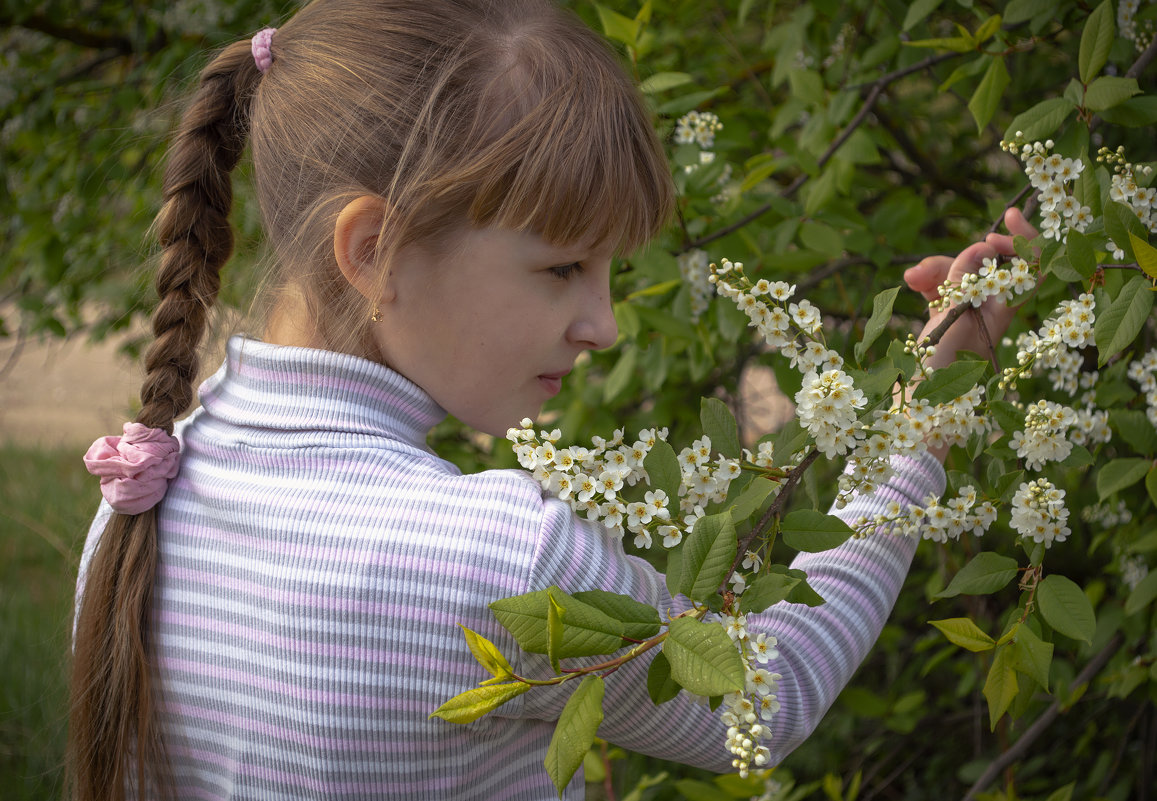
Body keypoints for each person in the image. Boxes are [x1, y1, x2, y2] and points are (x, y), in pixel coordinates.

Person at [69, 1, 1035, 799]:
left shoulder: (141, 504)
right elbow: (765, 694)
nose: (602, 324)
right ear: (375, 251)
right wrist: (920, 425)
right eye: (563, 266)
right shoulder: (494, 556)